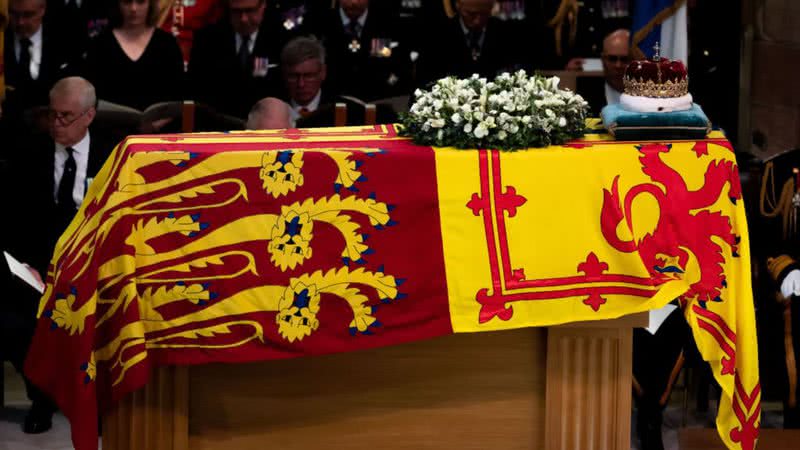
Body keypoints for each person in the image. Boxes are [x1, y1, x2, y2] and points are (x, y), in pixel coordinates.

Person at [1, 76, 115, 435]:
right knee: (14, 320)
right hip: (39, 266)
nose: (57, 124)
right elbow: (11, 218)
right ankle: (43, 399)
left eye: (66, 116)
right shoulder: (29, 152)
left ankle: (97, 402)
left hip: (94, 267)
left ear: (89, 116)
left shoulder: (113, 156)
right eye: (53, 115)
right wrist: (26, 265)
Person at [188, 0, 288, 119]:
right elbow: (196, 91)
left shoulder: (281, 40)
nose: (243, 19)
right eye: (236, 12)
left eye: (250, 11)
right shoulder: (207, 40)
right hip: (219, 124)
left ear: (263, 5)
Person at [81, 0, 184, 112]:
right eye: (127, 2)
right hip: (111, 126)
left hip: (162, 127)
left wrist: (158, 123)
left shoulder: (167, 44)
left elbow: (178, 94)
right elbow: (91, 97)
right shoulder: (101, 45)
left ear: (150, 4)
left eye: (140, 2)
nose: (133, 8)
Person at [416, 0, 533, 86]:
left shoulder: (509, 34)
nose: (477, 21)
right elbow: (423, 82)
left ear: (491, 8)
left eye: (484, 14)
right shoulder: (436, 37)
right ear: (458, 5)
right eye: (471, 14)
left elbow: (523, 76)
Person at [315, 0, 410, 101]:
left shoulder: (388, 23)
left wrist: (389, 87)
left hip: (378, 100)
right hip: (329, 101)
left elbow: (401, 68)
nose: (354, 2)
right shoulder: (319, 22)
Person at [3, 0, 74, 118]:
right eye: (14, 14)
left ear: (43, 9)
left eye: (28, 15)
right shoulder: (2, 41)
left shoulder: (63, 42)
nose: (20, 22)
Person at [569, 28, 630, 116]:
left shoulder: (645, 98)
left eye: (624, 59)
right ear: (603, 59)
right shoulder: (584, 97)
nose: (618, 65)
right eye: (612, 59)